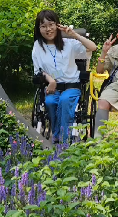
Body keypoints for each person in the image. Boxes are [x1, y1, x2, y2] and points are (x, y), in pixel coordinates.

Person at [32, 10, 97, 144]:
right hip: (52, 87)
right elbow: (38, 71)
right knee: (50, 102)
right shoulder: (38, 46)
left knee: (65, 100)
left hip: (71, 85)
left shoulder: (69, 43)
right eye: (43, 26)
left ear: (57, 25)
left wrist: (74, 35)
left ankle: (63, 138)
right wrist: (51, 80)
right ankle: (58, 134)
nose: (48, 29)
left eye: (51, 24)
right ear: (39, 29)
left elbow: (93, 47)